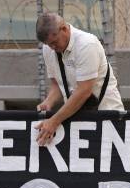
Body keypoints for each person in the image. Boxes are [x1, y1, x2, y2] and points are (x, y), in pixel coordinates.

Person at [35, 13, 123, 145]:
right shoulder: (48, 49)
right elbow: (57, 84)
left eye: (54, 42)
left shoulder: (86, 45)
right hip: (74, 117)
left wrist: (54, 121)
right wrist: (49, 102)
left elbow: (84, 91)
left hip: (106, 116)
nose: (52, 48)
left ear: (64, 29)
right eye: (48, 44)